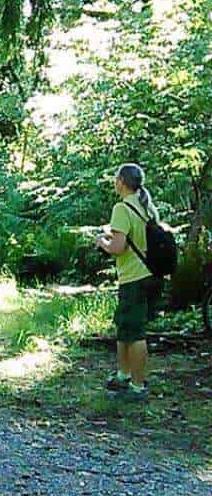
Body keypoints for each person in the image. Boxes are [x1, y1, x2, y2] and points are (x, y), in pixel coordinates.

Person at [95, 163, 159, 402]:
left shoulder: (122, 208)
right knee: (124, 327)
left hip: (134, 277)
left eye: (115, 178)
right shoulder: (143, 207)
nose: (114, 181)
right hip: (145, 275)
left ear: (121, 181)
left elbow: (119, 248)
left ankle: (138, 386)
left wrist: (102, 241)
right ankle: (123, 375)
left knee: (135, 332)